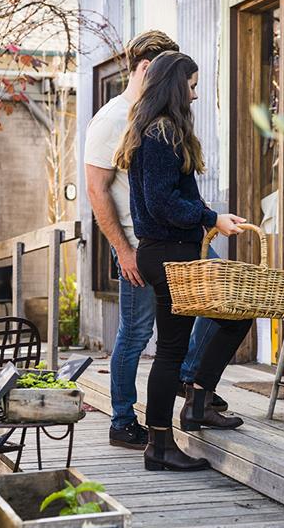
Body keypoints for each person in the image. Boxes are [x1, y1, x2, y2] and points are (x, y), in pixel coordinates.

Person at [85, 31, 228, 451]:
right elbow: (96, 190)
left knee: (222, 305)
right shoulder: (114, 119)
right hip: (142, 243)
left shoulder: (161, 116)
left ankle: (192, 385)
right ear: (148, 69)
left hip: (183, 236)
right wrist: (122, 249)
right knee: (136, 333)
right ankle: (124, 419)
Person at [114, 51, 253, 471]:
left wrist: (206, 215)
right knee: (172, 351)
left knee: (236, 313)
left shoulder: (154, 130)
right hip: (170, 253)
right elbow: (162, 204)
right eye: (191, 87)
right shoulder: (160, 134)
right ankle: (160, 444)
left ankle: (196, 401)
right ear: (176, 86)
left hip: (171, 251)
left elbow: (172, 198)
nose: (194, 95)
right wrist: (213, 218)